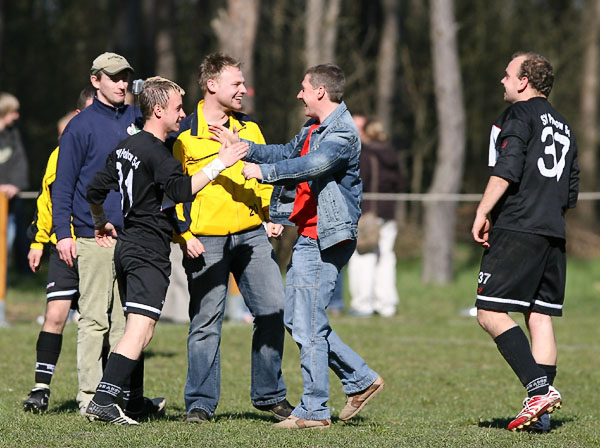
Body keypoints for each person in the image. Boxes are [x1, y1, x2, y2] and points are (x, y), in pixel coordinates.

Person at [216, 63, 385, 429]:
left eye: (303, 88)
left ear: (320, 92)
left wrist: (264, 174)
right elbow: (285, 152)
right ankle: (359, 378)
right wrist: (244, 149)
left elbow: (312, 165)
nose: (299, 94)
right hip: (309, 235)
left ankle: (313, 410)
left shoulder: (342, 133)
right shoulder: (312, 127)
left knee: (306, 324)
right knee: (299, 319)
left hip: (328, 237)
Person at [85, 76, 249, 425]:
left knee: (137, 326)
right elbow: (182, 190)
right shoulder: (160, 155)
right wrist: (221, 162)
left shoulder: (126, 147)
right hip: (147, 250)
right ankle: (103, 399)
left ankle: (130, 402)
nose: (183, 114)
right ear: (158, 110)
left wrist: (100, 221)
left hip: (127, 245)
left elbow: (95, 190)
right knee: (140, 330)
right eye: (177, 108)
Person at [171, 52, 291, 423]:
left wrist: (272, 215)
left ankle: (270, 395)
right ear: (211, 85)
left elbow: (265, 173)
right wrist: (184, 234)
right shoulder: (184, 137)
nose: (243, 89)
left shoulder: (251, 129)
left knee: (273, 309)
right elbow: (173, 191)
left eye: (242, 83)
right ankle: (201, 403)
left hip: (252, 235)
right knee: (206, 320)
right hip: (204, 239)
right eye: (236, 83)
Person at [471, 52, 578, 432]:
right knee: (539, 315)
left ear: (523, 81)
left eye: (507, 75)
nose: (502, 81)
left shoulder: (519, 115)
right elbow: (571, 189)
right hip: (553, 230)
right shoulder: (565, 125)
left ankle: (538, 391)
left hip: (519, 227)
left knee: (489, 312)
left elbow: (508, 166)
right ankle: (542, 418)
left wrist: (483, 211)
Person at [52, 52, 141, 416]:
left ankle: (115, 396)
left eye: (125, 78)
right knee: (94, 319)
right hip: (93, 235)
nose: (121, 84)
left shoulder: (138, 119)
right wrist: (63, 234)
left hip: (133, 235)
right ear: (96, 80)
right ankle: (89, 395)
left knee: (126, 320)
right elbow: (63, 184)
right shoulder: (80, 126)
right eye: (114, 77)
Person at [22, 86, 95, 413]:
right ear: (79, 116)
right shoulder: (60, 153)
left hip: (99, 245)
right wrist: (38, 241)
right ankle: (41, 388)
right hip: (63, 248)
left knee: (101, 322)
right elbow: (47, 202)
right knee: (55, 315)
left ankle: (106, 392)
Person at [348, 117, 401, 318]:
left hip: (368, 213)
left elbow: (358, 182)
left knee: (363, 257)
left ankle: (363, 305)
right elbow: (400, 183)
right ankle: (386, 304)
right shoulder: (391, 153)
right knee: (386, 256)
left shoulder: (365, 154)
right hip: (389, 213)